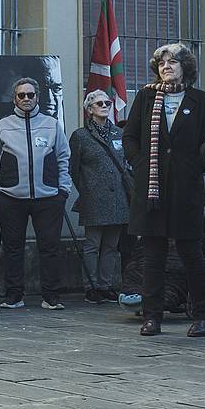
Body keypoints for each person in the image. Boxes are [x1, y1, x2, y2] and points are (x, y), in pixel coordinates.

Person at [121, 43, 205, 338]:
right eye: (161, 63)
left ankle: (201, 315)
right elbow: (130, 137)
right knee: (153, 255)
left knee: (191, 254)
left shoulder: (201, 100)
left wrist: (191, 169)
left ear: (186, 66)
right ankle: (152, 316)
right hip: (152, 190)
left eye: (172, 62)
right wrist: (140, 164)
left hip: (186, 189)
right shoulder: (147, 97)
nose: (166, 67)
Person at [0, 76, 72, 310]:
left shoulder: (52, 124)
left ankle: (51, 297)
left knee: (50, 247)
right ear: (14, 98)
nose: (26, 99)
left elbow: (64, 157)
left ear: (37, 97)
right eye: (21, 95)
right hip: (11, 198)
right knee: (13, 249)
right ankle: (14, 296)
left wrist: (63, 189)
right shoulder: (2, 126)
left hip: (49, 198)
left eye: (30, 95)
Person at [69, 89, 131, 304]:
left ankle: (106, 285)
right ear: (89, 109)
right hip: (94, 198)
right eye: (99, 103)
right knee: (92, 244)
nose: (105, 106)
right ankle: (91, 286)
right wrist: (88, 189)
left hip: (118, 198)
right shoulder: (81, 136)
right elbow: (73, 169)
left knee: (112, 245)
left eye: (107, 103)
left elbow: (125, 162)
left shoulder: (118, 133)